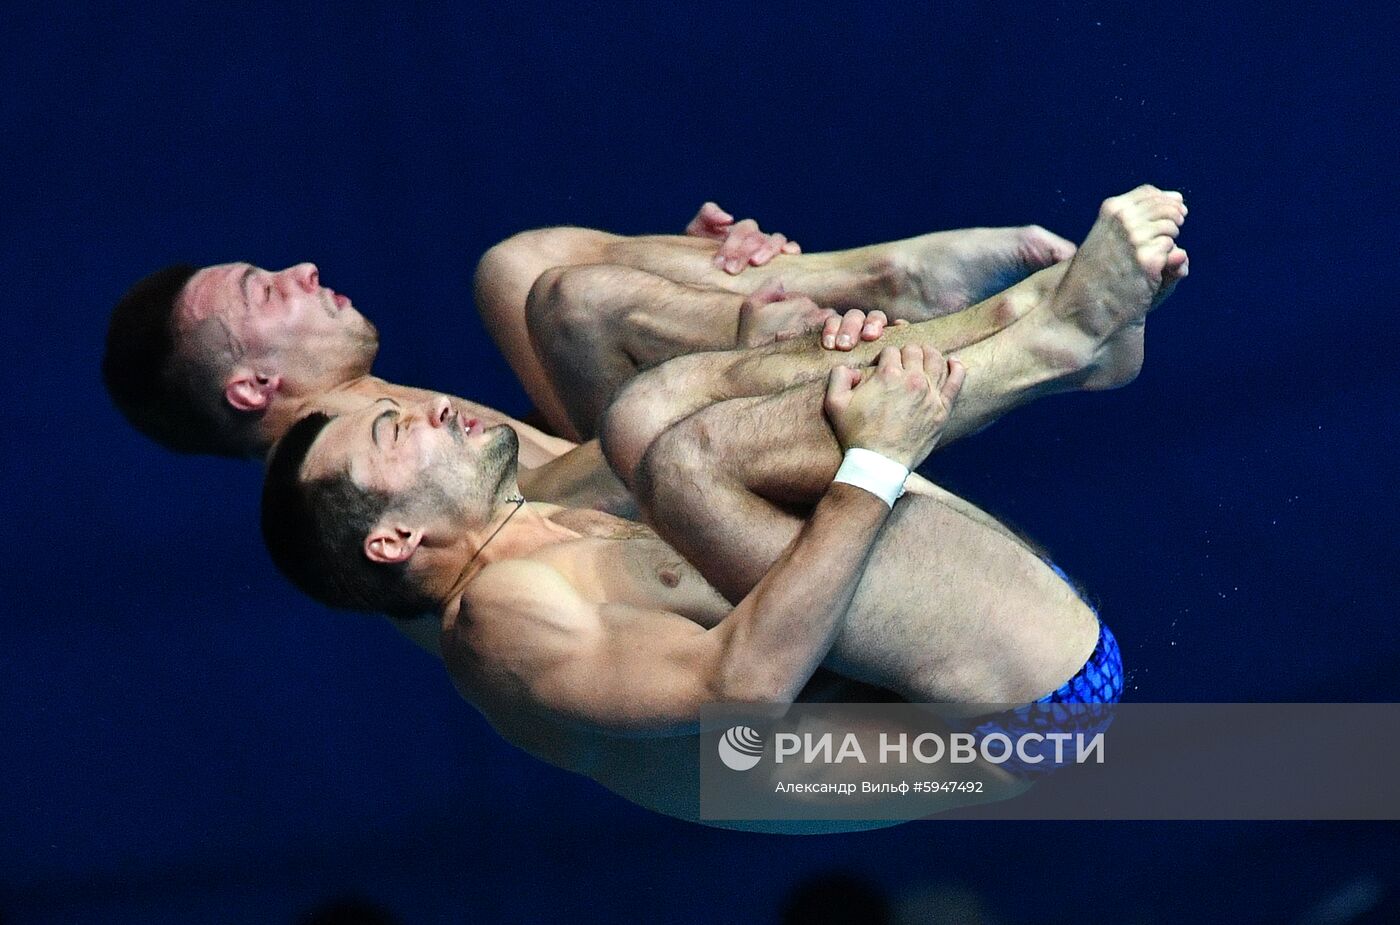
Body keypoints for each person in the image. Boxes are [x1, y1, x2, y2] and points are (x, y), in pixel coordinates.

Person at [258, 185, 1187, 826]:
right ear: (394, 539)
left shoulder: (544, 530)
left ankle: (1028, 324)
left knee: (634, 385)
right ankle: (1058, 334)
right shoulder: (497, 619)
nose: (428, 412)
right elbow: (741, 693)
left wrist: (761, 338)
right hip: (1025, 715)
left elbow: (594, 327)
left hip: (968, 645)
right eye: (391, 434)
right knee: (676, 446)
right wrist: (873, 459)